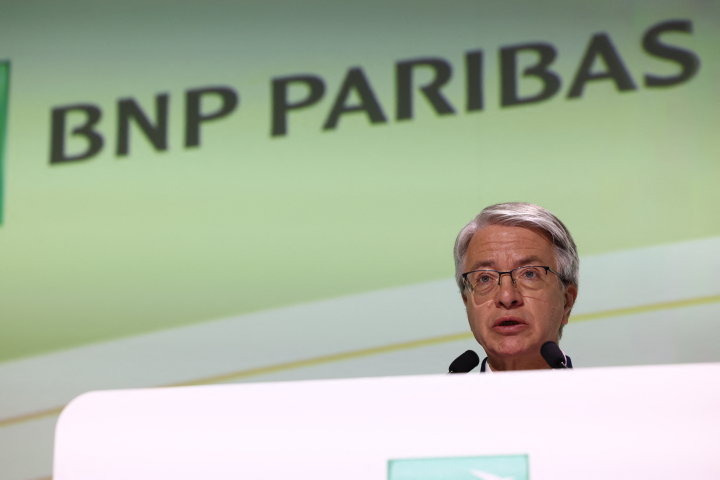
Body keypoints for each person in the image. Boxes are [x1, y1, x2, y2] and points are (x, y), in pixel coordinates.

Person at [453, 202, 579, 372]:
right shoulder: (441, 399)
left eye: (529, 274)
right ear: (466, 302)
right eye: (484, 278)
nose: (506, 297)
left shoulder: (604, 398)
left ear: (566, 302)